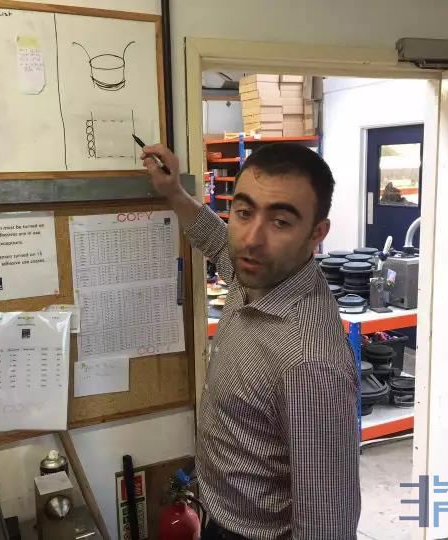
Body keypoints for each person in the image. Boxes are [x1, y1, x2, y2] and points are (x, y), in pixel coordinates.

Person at [142, 143, 360, 540]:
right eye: (244, 213)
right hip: (214, 513)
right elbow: (215, 240)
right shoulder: (257, 274)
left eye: (280, 222)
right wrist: (173, 191)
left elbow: (327, 527)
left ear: (317, 233)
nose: (250, 239)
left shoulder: (310, 364)